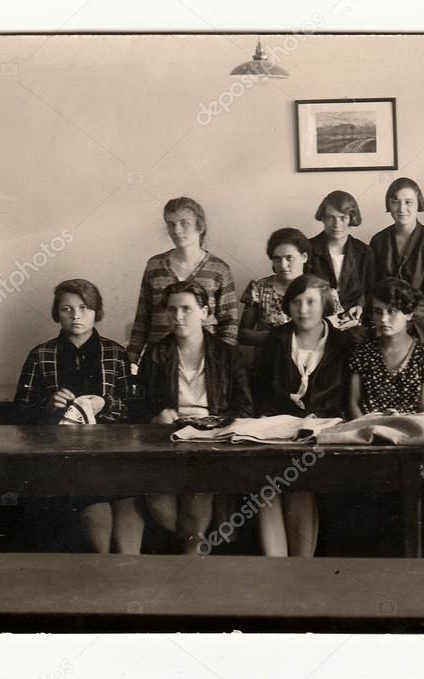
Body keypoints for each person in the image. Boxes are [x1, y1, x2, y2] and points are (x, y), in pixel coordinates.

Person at [13, 279, 142, 554]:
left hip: (112, 453)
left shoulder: (115, 353)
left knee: (129, 505)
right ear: (56, 313)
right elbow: (19, 414)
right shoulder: (41, 355)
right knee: (96, 510)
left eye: (84, 308)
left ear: (97, 311)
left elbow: (135, 409)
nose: (76, 316)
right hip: (62, 458)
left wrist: (105, 404)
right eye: (66, 309)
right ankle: (105, 572)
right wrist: (48, 405)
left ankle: (129, 577)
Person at [139, 280, 253, 554]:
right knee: (159, 504)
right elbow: (137, 405)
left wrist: (217, 423)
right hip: (168, 441)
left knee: (195, 498)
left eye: (187, 309)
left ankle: (190, 557)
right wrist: (157, 417)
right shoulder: (156, 354)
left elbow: (246, 408)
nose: (178, 316)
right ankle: (193, 545)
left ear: (204, 312)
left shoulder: (227, 355)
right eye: (172, 309)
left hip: (212, 442)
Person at [254, 275, 355, 558]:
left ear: (324, 304)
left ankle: (301, 567)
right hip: (278, 429)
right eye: (296, 302)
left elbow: (347, 396)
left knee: (300, 484)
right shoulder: (277, 339)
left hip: (325, 430)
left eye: (310, 301)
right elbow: (262, 390)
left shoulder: (343, 343)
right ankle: (277, 570)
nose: (303, 309)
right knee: (265, 487)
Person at [128, 196, 238, 367]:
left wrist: (219, 359)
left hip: (203, 360)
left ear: (199, 226)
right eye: (171, 224)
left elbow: (229, 322)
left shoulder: (219, 269)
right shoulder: (154, 266)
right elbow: (142, 317)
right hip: (159, 359)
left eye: (184, 223)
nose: (176, 230)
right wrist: (131, 359)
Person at [369, 178, 424, 350]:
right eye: (395, 202)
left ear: (419, 204)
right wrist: (387, 317)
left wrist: (405, 317)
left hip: (419, 317)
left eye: (408, 202)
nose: (402, 208)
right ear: (389, 205)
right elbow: (373, 286)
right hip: (384, 316)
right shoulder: (378, 240)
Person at [347, 278, 424, 418]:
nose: (383, 319)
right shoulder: (363, 352)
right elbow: (353, 404)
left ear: (409, 314)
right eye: (378, 311)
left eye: (392, 311)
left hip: (410, 430)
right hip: (368, 430)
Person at [307, 190, 376, 334]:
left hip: (353, 323)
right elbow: (301, 292)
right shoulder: (308, 249)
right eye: (330, 218)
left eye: (343, 218)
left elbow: (371, 291)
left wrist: (360, 309)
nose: (336, 224)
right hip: (315, 323)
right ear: (323, 218)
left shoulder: (364, 251)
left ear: (352, 218)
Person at [238, 228, 309, 347]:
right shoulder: (259, 288)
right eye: (277, 259)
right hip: (269, 360)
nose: (283, 265)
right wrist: (276, 338)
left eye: (289, 258)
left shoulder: (320, 289)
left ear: (304, 257)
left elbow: (334, 332)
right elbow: (243, 334)